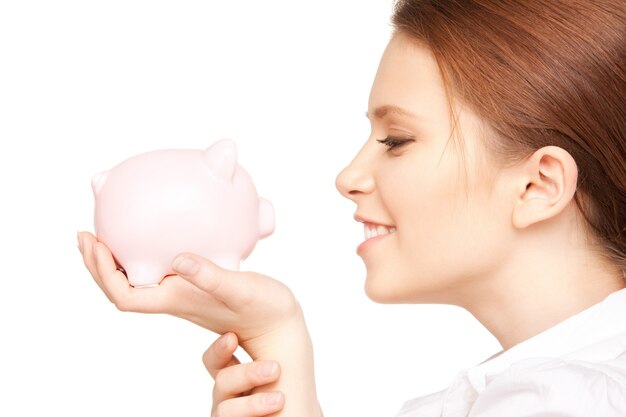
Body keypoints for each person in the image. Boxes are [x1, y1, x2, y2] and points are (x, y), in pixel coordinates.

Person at [78, 0, 626, 416]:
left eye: (397, 140)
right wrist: (275, 338)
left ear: (538, 186)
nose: (348, 178)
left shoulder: (562, 400)